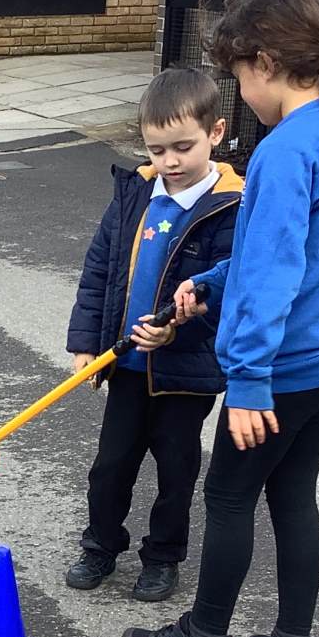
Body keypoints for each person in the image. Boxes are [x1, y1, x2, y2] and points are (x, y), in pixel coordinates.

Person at [120, 0, 319, 637]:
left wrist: (247, 380)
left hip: (286, 366)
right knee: (293, 493)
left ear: (265, 62)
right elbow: (298, 251)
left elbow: (274, 274)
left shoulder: (287, 149)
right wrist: (211, 282)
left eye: (239, 76)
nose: (242, 93)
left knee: (231, 495)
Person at [65, 68, 241, 604]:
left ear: (216, 132)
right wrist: (86, 343)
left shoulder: (232, 207)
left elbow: (231, 294)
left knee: (176, 470)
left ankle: (163, 557)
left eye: (183, 147)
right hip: (125, 366)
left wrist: (178, 334)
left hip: (185, 373)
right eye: (156, 149)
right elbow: (99, 270)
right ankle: (100, 545)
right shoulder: (135, 194)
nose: (170, 161)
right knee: (111, 465)